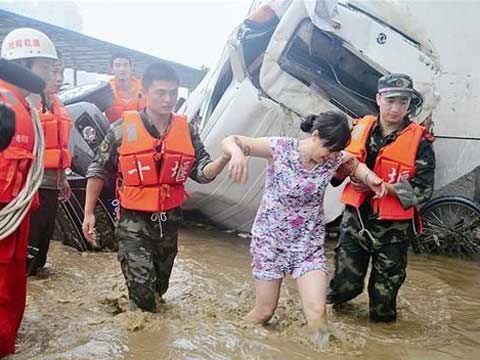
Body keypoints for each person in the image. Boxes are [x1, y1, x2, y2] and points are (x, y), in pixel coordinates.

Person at [221, 111, 386, 345]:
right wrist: (237, 154)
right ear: (316, 136)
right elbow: (231, 140)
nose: (331, 157)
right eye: (329, 150)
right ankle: (228, 339)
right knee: (264, 313)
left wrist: (371, 179)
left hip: (307, 246)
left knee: (318, 315)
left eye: (336, 152)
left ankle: (322, 351)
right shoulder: (281, 148)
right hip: (270, 243)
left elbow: (353, 164)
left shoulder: (334, 157)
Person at [82, 62, 229, 312]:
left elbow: (202, 172)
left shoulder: (186, 129)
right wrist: (89, 213)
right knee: (142, 292)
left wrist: (224, 158)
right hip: (132, 222)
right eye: (161, 92)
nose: (168, 99)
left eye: (173, 93)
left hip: (169, 222)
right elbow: (98, 169)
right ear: (145, 93)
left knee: (160, 287)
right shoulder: (122, 129)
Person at [327, 74, 436, 322]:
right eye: (390, 101)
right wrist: (346, 172)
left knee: (383, 305)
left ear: (409, 105)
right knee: (343, 288)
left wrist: (384, 187)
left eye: (403, 102)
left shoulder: (421, 142)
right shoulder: (357, 129)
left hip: (392, 233)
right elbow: (333, 171)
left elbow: (423, 190)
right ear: (378, 99)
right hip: (355, 223)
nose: (396, 108)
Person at [0, 27, 58, 358]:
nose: (51, 75)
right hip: (3, 223)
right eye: (45, 68)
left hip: (16, 221)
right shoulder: (4, 104)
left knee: (12, 290)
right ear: (23, 64)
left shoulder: (24, 106)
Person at [27, 55, 72, 276]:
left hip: (52, 183)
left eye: (61, 73)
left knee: (42, 247)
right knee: (29, 246)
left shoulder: (56, 103)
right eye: (53, 72)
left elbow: (60, 146)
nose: (58, 78)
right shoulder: (27, 101)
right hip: (31, 186)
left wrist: (63, 178)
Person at [104, 52, 145, 123]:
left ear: (131, 68)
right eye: (117, 65)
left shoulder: (146, 88)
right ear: (111, 69)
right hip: (114, 132)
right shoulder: (105, 91)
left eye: (125, 65)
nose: (122, 69)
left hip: (142, 131)